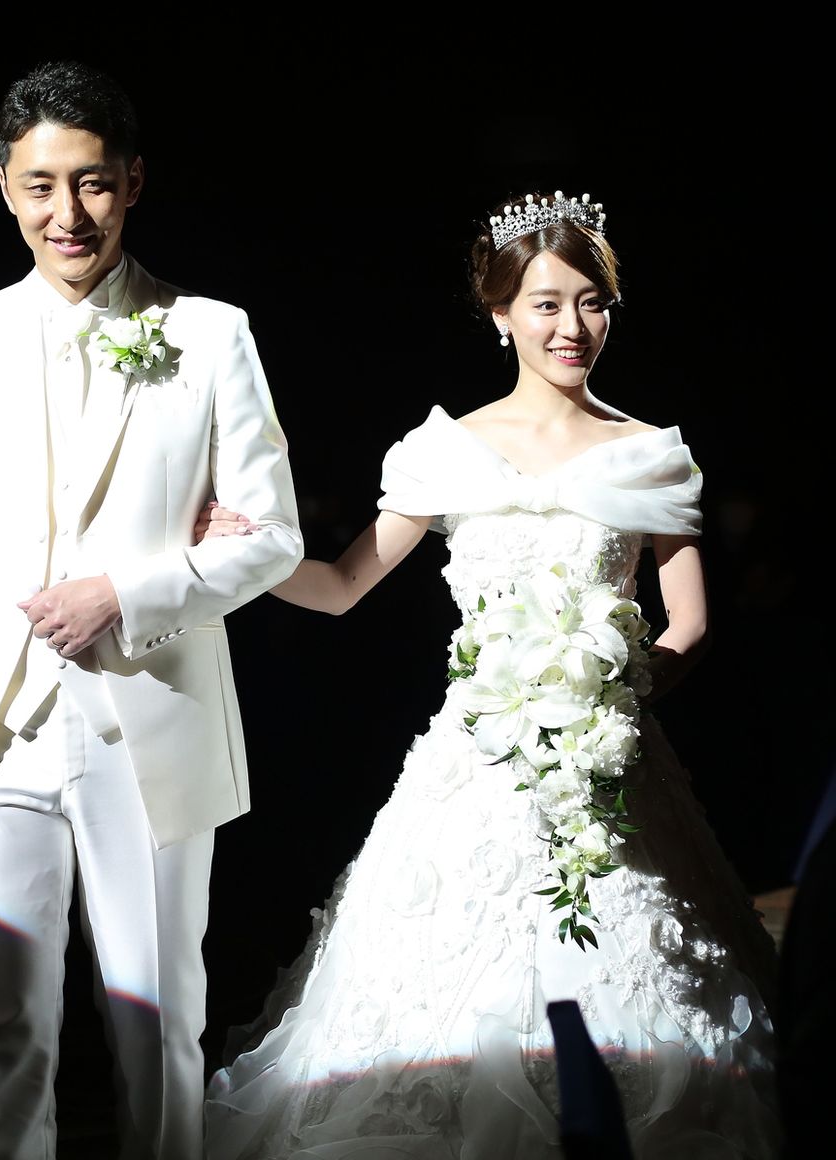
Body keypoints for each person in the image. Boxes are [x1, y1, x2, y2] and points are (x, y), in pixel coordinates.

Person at [197, 190, 782, 1158]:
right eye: (546, 303)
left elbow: (689, 623)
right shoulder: (444, 452)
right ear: (501, 312)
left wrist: (613, 696)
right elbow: (341, 586)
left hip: (611, 767)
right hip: (473, 770)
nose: (571, 326)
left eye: (591, 302)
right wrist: (242, 552)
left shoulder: (649, 455)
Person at [0, 59, 302, 1160]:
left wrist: (127, 592)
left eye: (94, 182)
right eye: (41, 185)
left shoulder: (212, 333)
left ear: (133, 182)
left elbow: (275, 538)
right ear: (5, 189)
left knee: (154, 1025)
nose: (68, 212)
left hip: (150, 723)